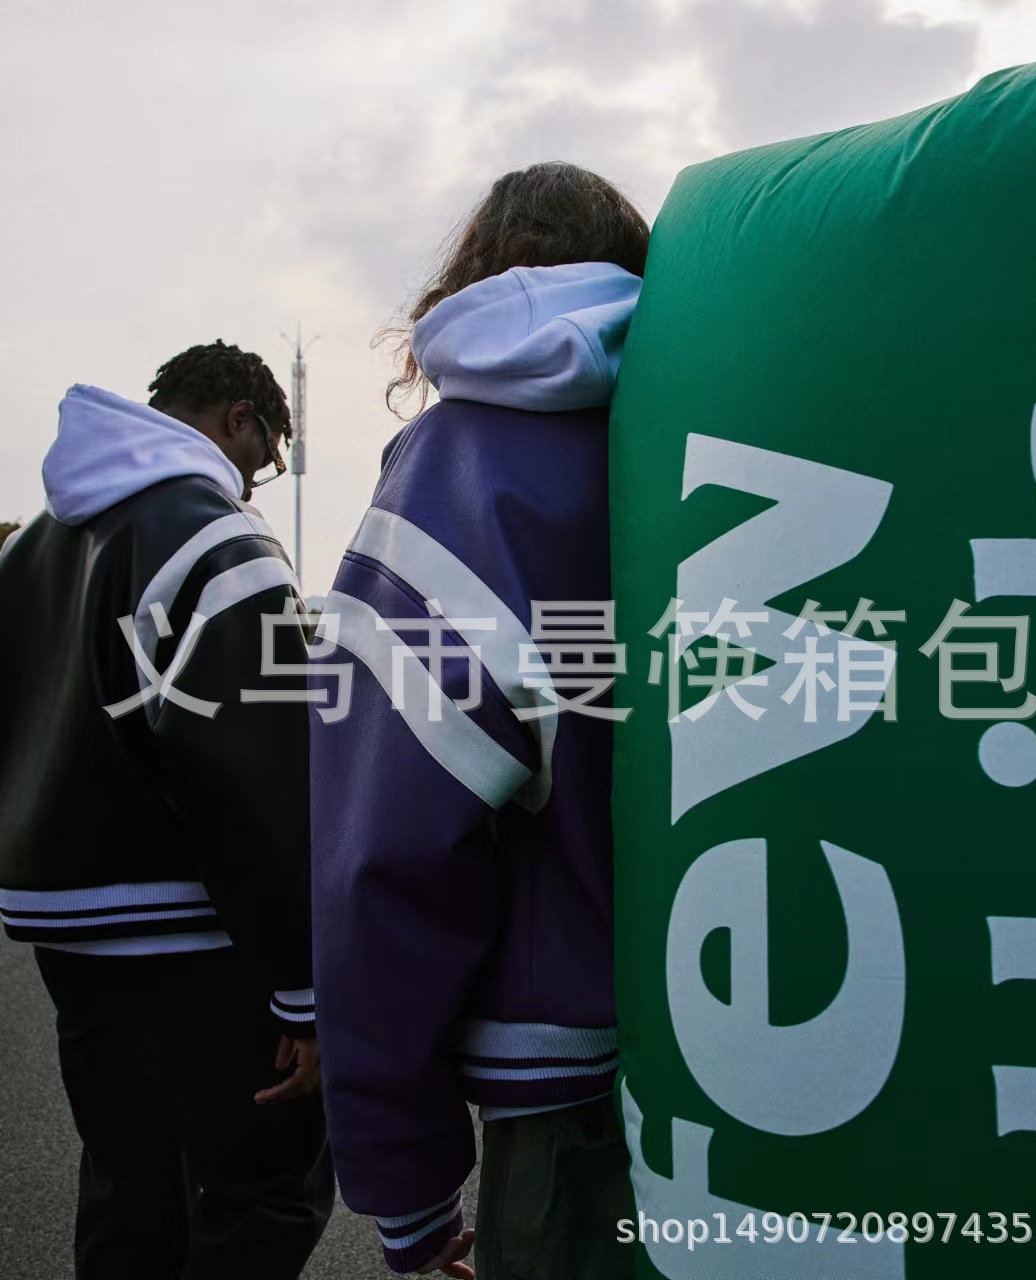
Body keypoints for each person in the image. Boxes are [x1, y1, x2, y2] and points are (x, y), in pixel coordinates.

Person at [310, 161, 648, 1278]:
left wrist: (404, 1177)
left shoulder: (459, 464)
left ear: (472, 277)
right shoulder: (728, 428)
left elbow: (386, 851)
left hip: (573, 1099)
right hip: (791, 1037)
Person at [0, 342, 335, 1279]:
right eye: (265, 457)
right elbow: (259, 782)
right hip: (196, 937)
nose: (256, 480)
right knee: (265, 1189)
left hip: (64, 929)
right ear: (239, 418)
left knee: (129, 1183)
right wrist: (304, 992)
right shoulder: (216, 540)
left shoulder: (33, 545)